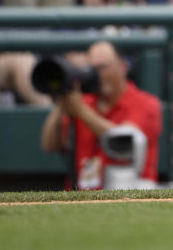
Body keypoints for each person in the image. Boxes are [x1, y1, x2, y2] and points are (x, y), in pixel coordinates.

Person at [40, 41, 162, 190]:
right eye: (92, 69)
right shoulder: (84, 102)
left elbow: (124, 143)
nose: (97, 75)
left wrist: (80, 111)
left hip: (128, 195)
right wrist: (63, 99)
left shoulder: (146, 103)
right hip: (82, 199)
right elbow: (50, 144)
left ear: (122, 67)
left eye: (102, 68)